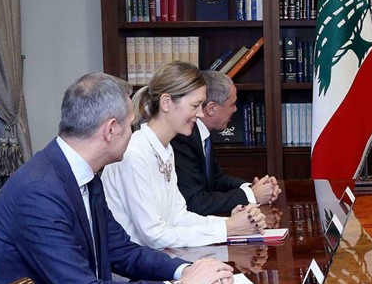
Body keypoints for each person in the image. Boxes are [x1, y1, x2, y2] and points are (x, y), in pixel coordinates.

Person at [0, 73, 235, 284]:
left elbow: (122, 251)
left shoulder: (84, 175)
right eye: (131, 125)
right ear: (111, 129)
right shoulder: (39, 192)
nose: (134, 132)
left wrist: (185, 270)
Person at [103, 62, 264, 248]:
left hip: (161, 255)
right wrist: (228, 227)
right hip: (135, 262)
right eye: (195, 105)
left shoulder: (166, 149)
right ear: (166, 103)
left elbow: (179, 217)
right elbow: (154, 235)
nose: (200, 114)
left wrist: (233, 222)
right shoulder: (134, 154)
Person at [171, 70, 280, 215]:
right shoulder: (182, 138)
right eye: (232, 104)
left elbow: (216, 179)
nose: (235, 109)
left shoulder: (202, 134)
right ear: (211, 108)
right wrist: (252, 195)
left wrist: (250, 187)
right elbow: (195, 202)